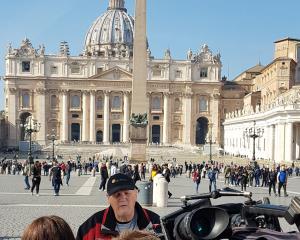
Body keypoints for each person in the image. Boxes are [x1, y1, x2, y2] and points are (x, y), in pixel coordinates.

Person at [76, 173, 161, 240]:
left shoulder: (156, 223)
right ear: (108, 198)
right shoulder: (90, 227)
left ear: (136, 194)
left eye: (127, 193)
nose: (123, 198)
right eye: (117, 194)